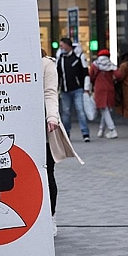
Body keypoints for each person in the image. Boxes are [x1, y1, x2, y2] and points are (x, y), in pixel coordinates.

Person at [42, 49, 83, 236]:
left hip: (42, 126)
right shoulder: (12, 62)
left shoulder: (46, 63)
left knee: (47, 171)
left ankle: (50, 216)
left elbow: (50, 93)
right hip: (17, 127)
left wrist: (51, 117)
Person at [56, 37, 91, 142]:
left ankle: (85, 133)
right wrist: (57, 88)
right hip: (65, 90)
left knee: (80, 111)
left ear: (68, 45)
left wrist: (86, 88)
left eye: (62, 45)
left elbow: (85, 73)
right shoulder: (61, 58)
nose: (61, 47)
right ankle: (66, 134)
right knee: (65, 113)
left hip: (77, 89)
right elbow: (58, 74)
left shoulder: (78, 57)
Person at [89, 49, 120, 139]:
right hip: (110, 89)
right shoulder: (111, 65)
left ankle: (112, 129)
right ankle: (101, 130)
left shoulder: (95, 65)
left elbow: (91, 76)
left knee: (104, 110)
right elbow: (119, 75)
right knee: (106, 110)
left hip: (99, 89)